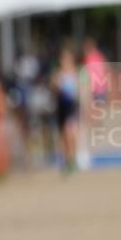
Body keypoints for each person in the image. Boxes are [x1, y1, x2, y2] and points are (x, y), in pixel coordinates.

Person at [53, 45, 80, 174]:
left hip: (71, 106)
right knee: (63, 135)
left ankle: (72, 159)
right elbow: (54, 89)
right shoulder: (58, 74)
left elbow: (79, 90)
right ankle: (66, 160)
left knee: (69, 132)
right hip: (61, 107)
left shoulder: (75, 72)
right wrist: (56, 86)